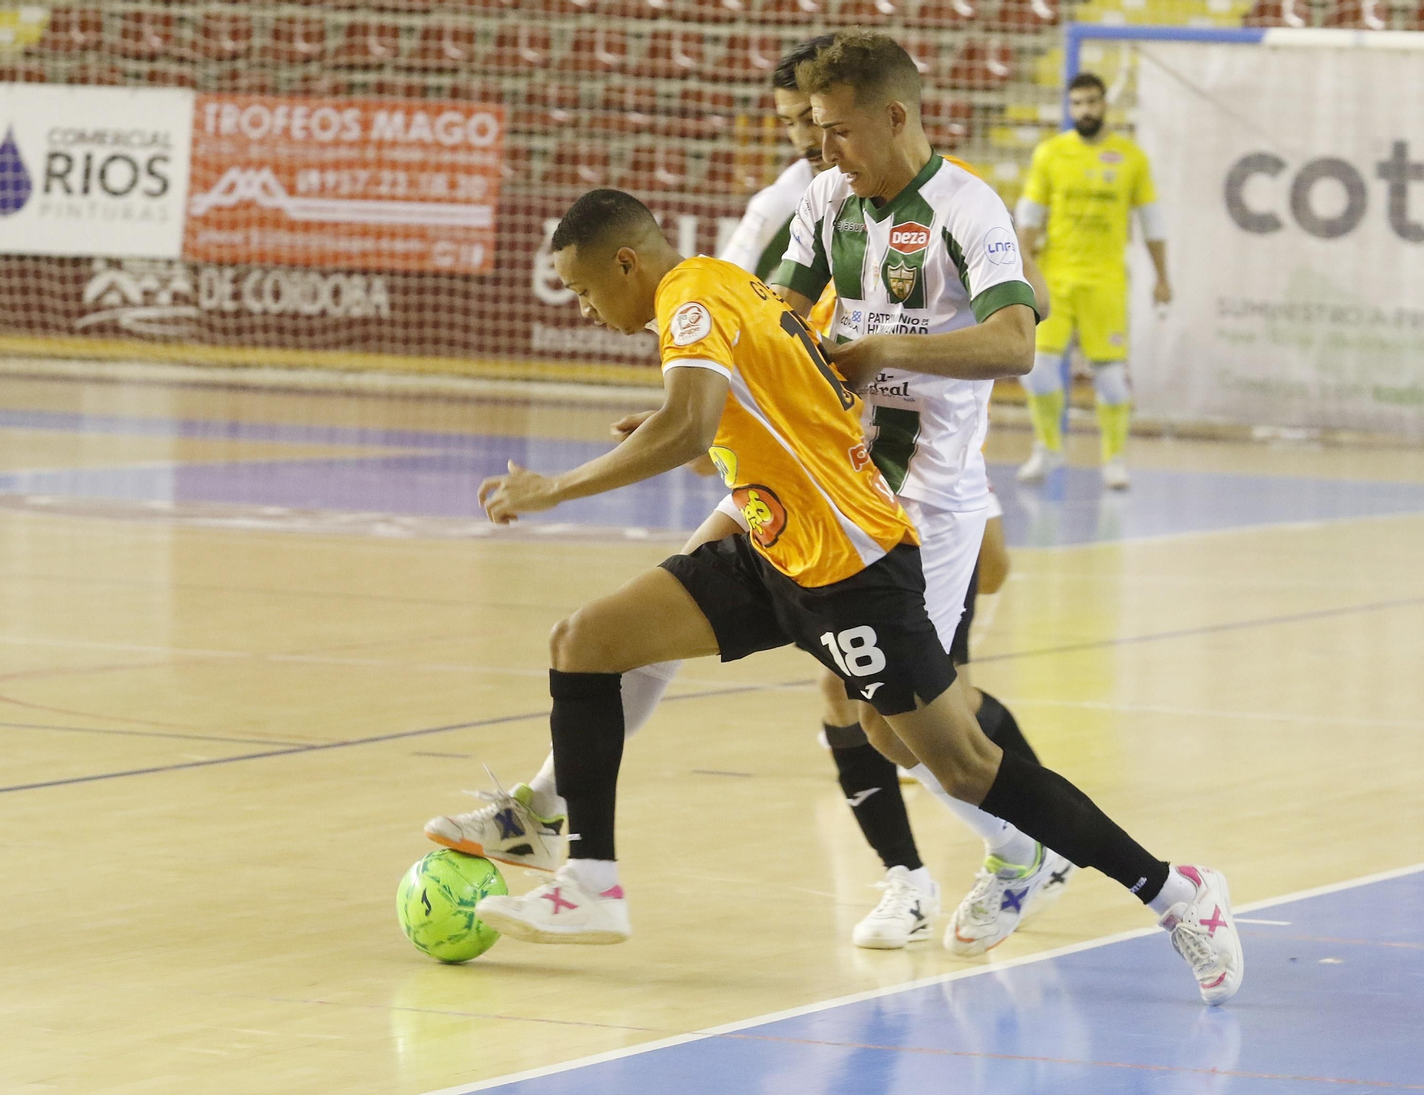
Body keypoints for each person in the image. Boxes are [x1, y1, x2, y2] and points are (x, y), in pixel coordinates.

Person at [446, 188, 1239, 1002]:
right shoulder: (720, 285)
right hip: (775, 546)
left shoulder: (690, 298)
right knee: (586, 640)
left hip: (852, 569)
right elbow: (765, 402)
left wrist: (555, 488)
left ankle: (1175, 891)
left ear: (627, 263)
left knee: (961, 765)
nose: (583, 309)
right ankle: (586, 874)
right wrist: (703, 427)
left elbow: (688, 429)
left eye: (584, 290)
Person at [433, 35, 1060, 956]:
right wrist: (706, 416)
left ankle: (1017, 852)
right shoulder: (810, 199)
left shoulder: (942, 200)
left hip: (910, 492)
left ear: (870, 114)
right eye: (795, 124)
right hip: (812, 470)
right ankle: (551, 810)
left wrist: (899, 341)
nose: (810, 139)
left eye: (820, 122)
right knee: (643, 624)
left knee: (892, 720)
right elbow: (757, 331)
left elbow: (1014, 327)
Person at [1015, 71, 1170, 492]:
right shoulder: (1050, 154)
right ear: (1069, 107)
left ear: (1105, 105)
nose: (1085, 110)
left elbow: (1152, 222)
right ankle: (1048, 448)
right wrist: (1021, 267)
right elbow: (1029, 216)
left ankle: (1115, 459)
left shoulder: (1131, 158)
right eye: (1078, 103)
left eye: (1092, 102)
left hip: (1105, 282)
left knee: (1111, 378)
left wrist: (1162, 277)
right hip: (1056, 279)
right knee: (1036, 370)